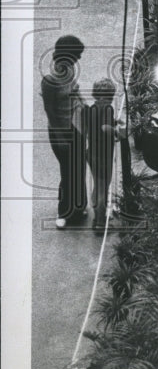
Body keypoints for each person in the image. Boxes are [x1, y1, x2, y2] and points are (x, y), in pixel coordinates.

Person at [40, 35, 87, 228]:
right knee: (68, 171)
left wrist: (85, 108)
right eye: (76, 55)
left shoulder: (70, 70)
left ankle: (79, 206)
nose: (79, 60)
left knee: (79, 167)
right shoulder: (49, 81)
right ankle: (64, 212)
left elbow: (75, 92)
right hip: (60, 130)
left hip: (76, 126)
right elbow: (50, 111)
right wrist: (60, 138)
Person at [86, 78, 123, 230]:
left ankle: (97, 216)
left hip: (92, 152)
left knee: (97, 185)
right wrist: (117, 132)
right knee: (103, 187)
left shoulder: (92, 108)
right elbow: (104, 128)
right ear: (111, 94)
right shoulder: (108, 108)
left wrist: (114, 122)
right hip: (104, 155)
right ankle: (101, 222)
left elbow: (95, 125)